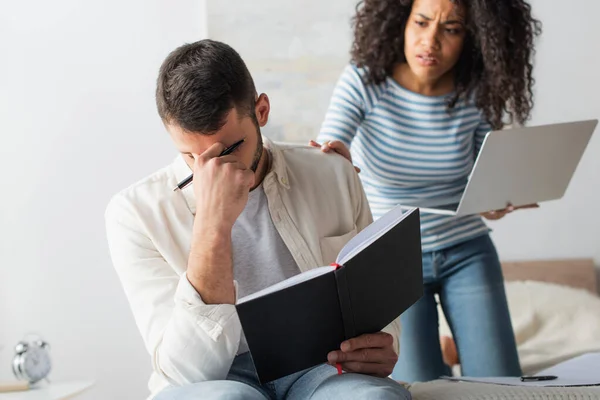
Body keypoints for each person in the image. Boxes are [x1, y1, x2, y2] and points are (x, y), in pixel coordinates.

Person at [105, 39, 411, 400]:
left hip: (321, 366)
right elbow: (187, 373)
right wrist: (212, 224)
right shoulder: (135, 213)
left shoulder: (332, 173)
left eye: (229, 149)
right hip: (218, 379)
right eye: (190, 157)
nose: (212, 169)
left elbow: (374, 300)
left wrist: (383, 342)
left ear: (261, 110)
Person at [313, 0, 542, 382]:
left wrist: (495, 196)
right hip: (393, 257)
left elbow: (482, 172)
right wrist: (334, 158)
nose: (430, 41)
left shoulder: (478, 91)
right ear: (400, 22)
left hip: (467, 248)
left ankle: (454, 348)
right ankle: (443, 353)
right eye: (421, 22)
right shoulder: (365, 80)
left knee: (501, 381)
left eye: (451, 29)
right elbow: (328, 147)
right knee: (420, 386)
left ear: (472, 38)